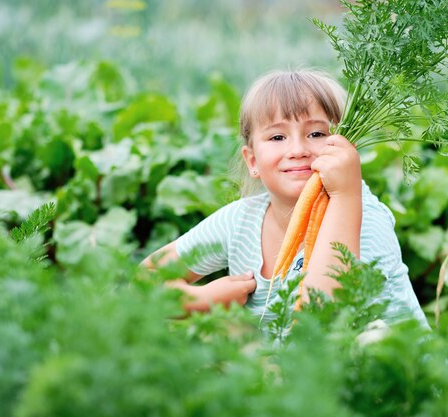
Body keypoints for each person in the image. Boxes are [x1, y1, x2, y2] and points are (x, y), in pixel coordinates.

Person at [142, 69, 427, 326]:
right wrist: (200, 299)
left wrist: (344, 194)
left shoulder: (363, 217)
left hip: (387, 374)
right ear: (252, 161)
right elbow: (146, 279)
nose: (298, 149)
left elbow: (322, 317)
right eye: (277, 137)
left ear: (346, 147)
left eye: (316, 133)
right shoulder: (240, 221)